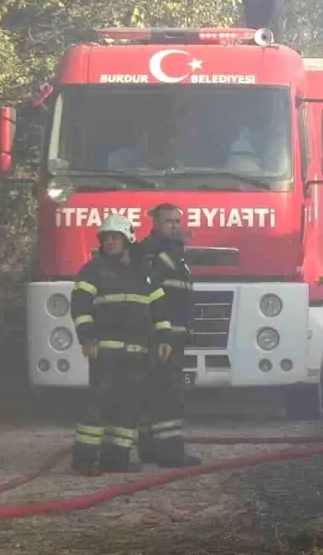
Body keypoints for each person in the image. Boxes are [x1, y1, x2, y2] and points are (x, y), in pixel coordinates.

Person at [70, 213, 173, 475]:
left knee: (129, 406)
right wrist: (87, 337)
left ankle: (117, 459)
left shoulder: (145, 272)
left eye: (115, 237)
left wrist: (164, 338)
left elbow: (160, 308)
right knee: (99, 404)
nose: (110, 242)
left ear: (128, 239)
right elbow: (80, 307)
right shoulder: (93, 270)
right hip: (104, 350)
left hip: (137, 352)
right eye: (106, 238)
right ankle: (85, 459)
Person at [136, 204, 202, 468]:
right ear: (155, 223)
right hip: (160, 337)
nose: (174, 226)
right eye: (168, 221)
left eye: (177, 221)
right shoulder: (152, 252)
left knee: (156, 392)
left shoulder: (173, 254)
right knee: (168, 393)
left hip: (171, 336)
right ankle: (170, 451)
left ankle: (150, 449)